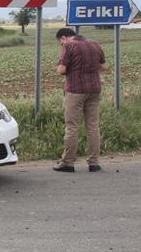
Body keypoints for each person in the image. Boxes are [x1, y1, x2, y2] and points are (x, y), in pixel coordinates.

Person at [53, 28, 108, 173]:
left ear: (64, 38)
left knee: (72, 126)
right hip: (94, 89)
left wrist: (62, 68)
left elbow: (61, 70)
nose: (61, 45)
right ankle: (94, 163)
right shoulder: (95, 44)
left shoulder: (69, 46)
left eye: (60, 42)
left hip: (75, 90)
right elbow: (104, 66)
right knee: (93, 126)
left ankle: (68, 163)